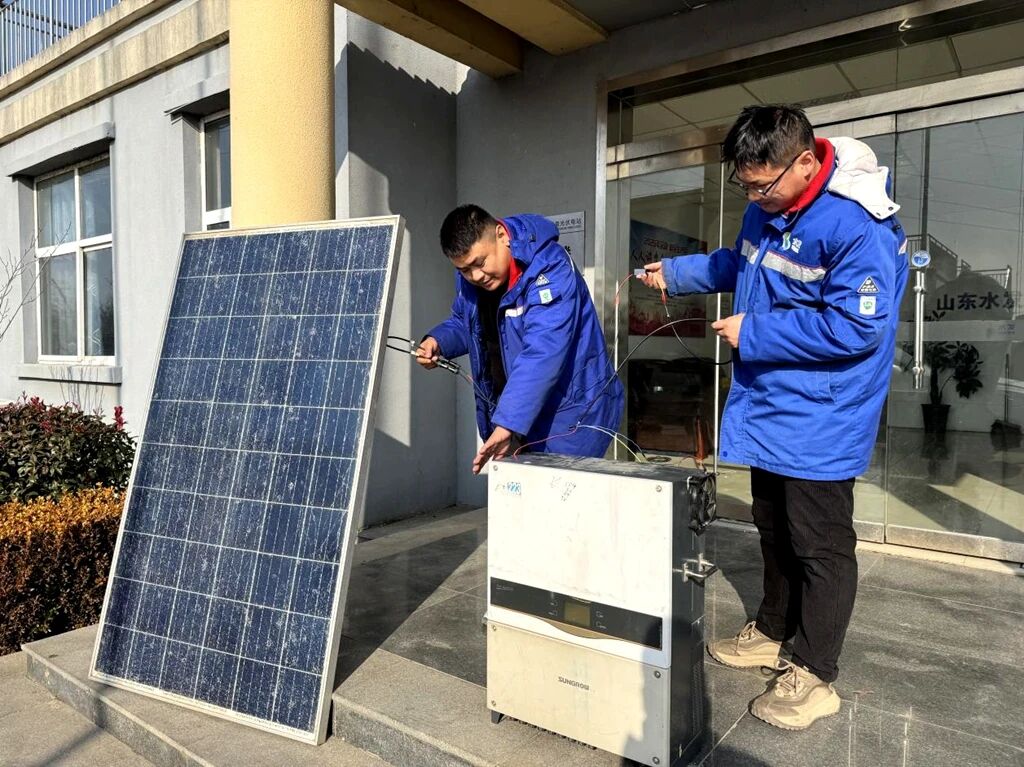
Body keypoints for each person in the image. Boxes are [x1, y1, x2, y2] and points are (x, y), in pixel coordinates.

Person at [639, 105, 908, 730]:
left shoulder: (857, 225)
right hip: (771, 402)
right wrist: (675, 273)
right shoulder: (767, 208)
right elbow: (742, 263)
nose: (755, 197)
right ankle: (773, 629)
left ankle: (814, 671)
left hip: (823, 411)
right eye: (746, 186)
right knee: (773, 525)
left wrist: (754, 332)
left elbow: (858, 327)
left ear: (806, 162)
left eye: (763, 185)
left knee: (819, 543)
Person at [420, 205, 624, 473]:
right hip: (515, 417)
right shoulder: (473, 282)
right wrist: (438, 341)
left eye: (480, 263)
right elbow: (466, 322)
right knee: (520, 496)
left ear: (502, 235)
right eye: (465, 270)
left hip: (568, 416)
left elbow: (543, 350)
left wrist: (507, 423)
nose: (476, 276)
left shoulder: (549, 267)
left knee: (560, 496)